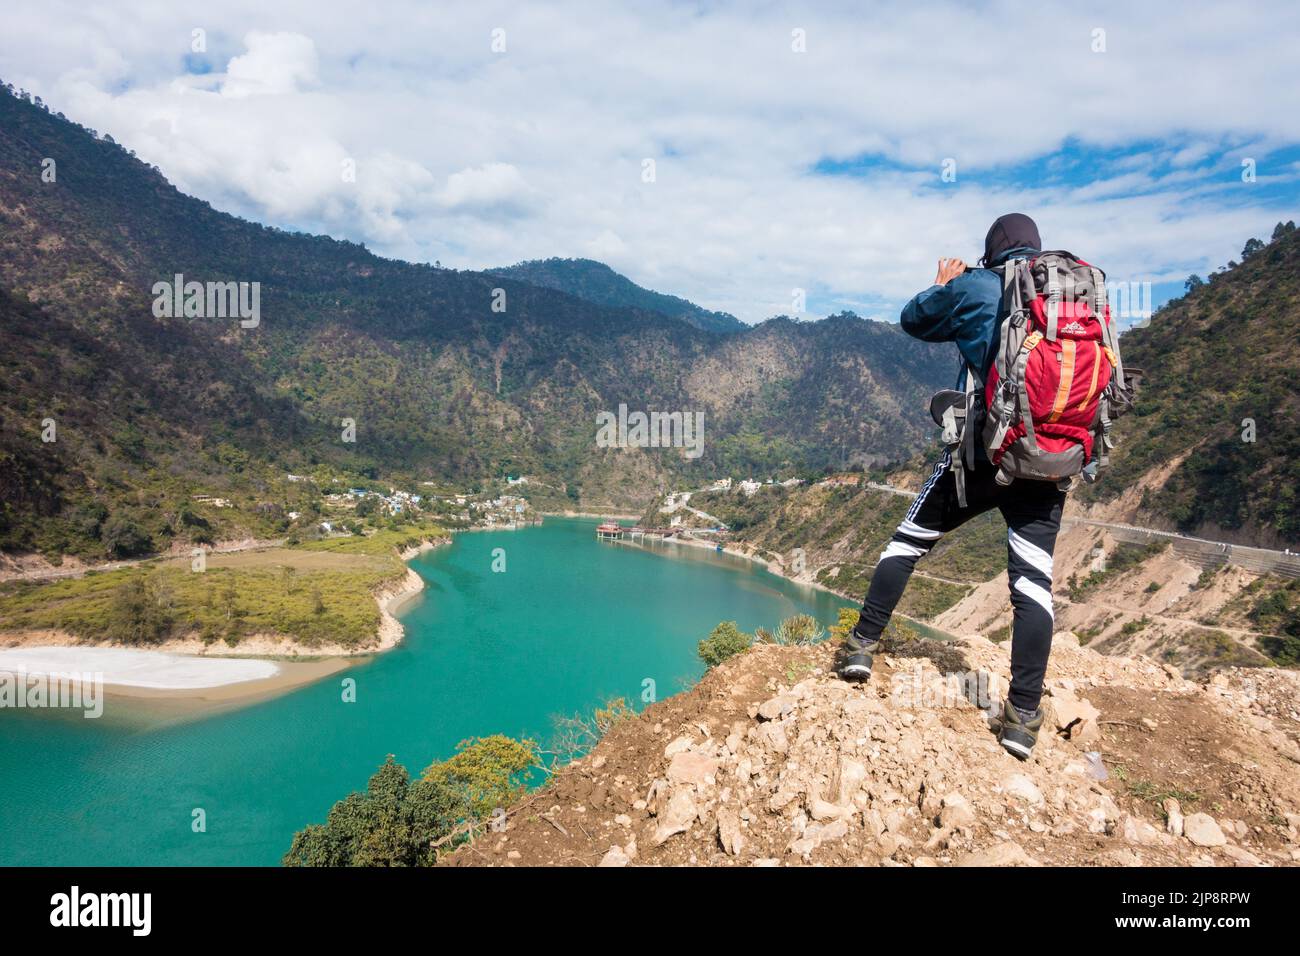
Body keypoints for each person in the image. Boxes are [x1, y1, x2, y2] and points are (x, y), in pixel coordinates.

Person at [839, 213, 1062, 760]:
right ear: (1037, 248)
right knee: (1032, 585)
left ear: (991, 252)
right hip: (1050, 462)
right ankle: (1022, 720)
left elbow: (914, 320)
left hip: (982, 459)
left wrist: (942, 284)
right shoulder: (1069, 293)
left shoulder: (976, 287)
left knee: (906, 545)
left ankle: (862, 648)